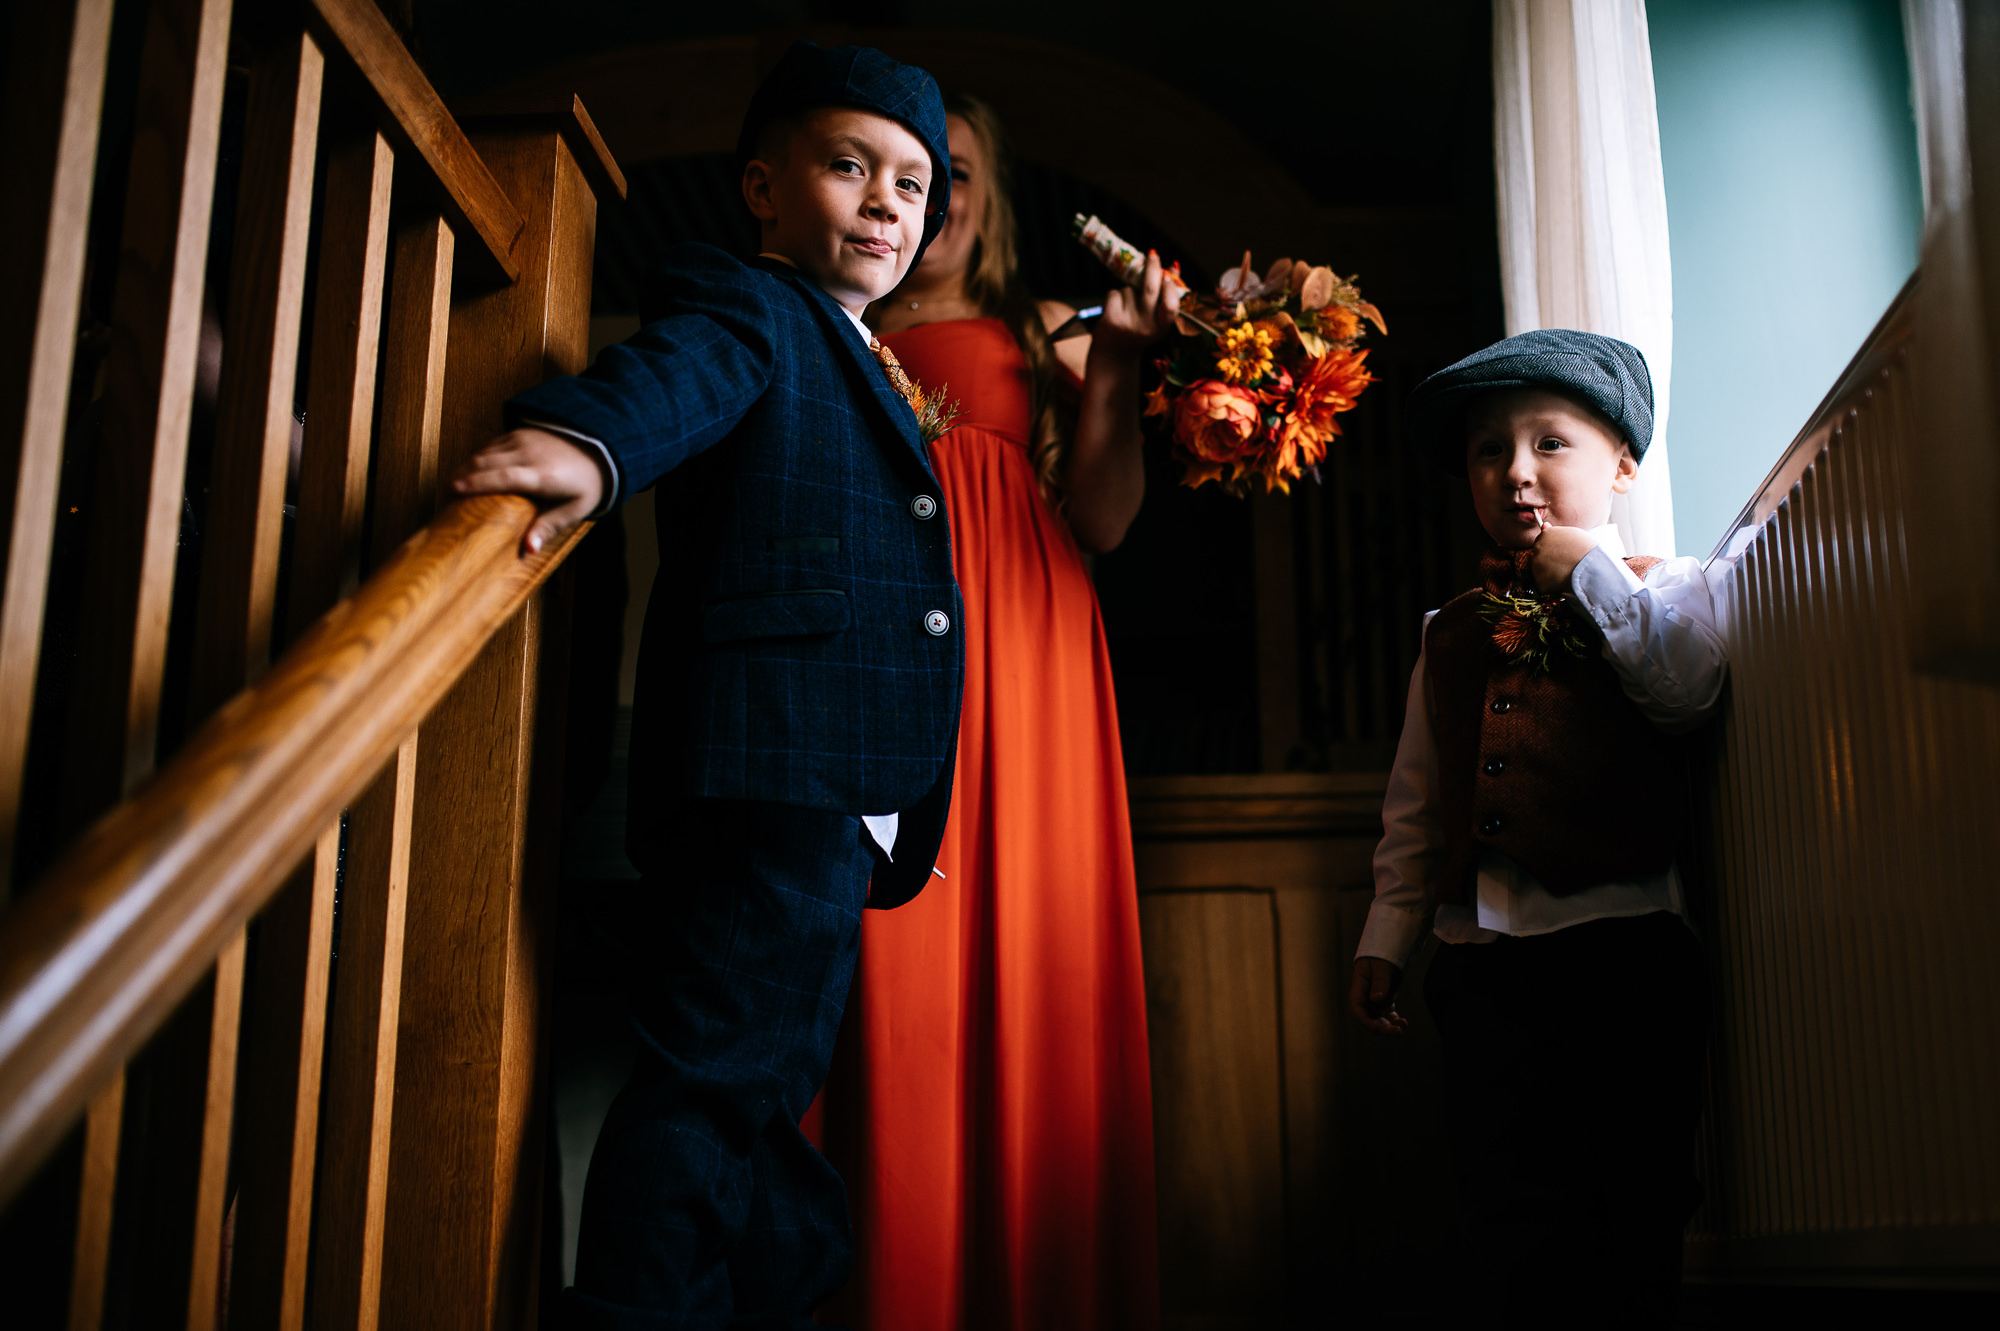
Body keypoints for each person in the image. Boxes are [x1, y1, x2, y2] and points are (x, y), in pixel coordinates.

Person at [449, 41, 962, 1328]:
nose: (887, 201)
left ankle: (768, 1292)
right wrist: (589, 445)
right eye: (849, 166)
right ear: (760, 188)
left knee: (756, 1085)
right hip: (770, 762)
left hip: (821, 778)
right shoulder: (748, 307)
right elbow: (681, 375)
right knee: (716, 1081)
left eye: (914, 183)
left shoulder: (849, 345)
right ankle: (631, 1309)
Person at [811, 96, 1173, 1329]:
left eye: (953, 174)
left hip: (1024, 658)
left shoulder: (1042, 327)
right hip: (873, 650)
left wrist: (1117, 364)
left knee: (1029, 940)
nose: (935, 201)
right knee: (880, 957)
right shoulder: (829, 323)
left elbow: (1107, 519)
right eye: (910, 176)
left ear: (989, 193)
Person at [1346, 330, 1728, 1328]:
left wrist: (1589, 579)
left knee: (1634, 1203)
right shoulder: (1450, 629)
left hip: (1625, 954)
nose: (1515, 472)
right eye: (1487, 450)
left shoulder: (1664, 585)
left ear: (1622, 467)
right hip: (1483, 964)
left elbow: (1686, 693)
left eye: (1549, 443)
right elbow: (1416, 801)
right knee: (1509, 1212)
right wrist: (1389, 933)